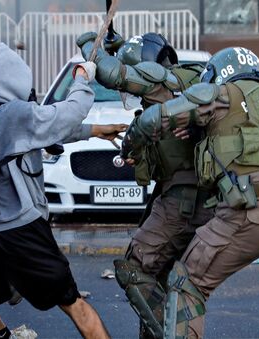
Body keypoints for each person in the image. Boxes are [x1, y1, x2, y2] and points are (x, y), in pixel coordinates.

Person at [125, 46, 259, 339]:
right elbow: (244, 133)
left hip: (252, 212)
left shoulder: (221, 94)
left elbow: (155, 119)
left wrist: (131, 141)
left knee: (186, 285)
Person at [0, 42, 123, 339]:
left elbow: (47, 130)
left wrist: (95, 131)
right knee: (73, 303)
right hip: (21, 228)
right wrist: (83, 78)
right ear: (17, 78)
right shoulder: (16, 114)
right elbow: (67, 115)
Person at [76, 32, 213, 338]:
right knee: (168, 277)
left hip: (182, 199)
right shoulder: (190, 81)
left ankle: (171, 334)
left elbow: (114, 74)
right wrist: (118, 44)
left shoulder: (159, 84)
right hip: (201, 196)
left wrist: (89, 43)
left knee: (136, 269)